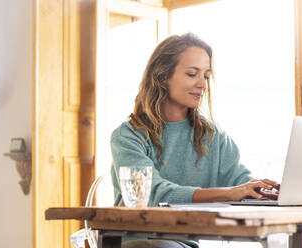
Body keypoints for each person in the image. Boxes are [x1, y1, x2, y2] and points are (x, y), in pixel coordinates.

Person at [110, 33, 279, 248]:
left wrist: (267, 191)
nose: (202, 84)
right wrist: (229, 193)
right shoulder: (128, 136)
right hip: (138, 243)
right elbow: (153, 194)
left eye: (206, 76)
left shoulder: (214, 136)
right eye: (192, 74)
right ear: (163, 76)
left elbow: (240, 183)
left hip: (184, 244)